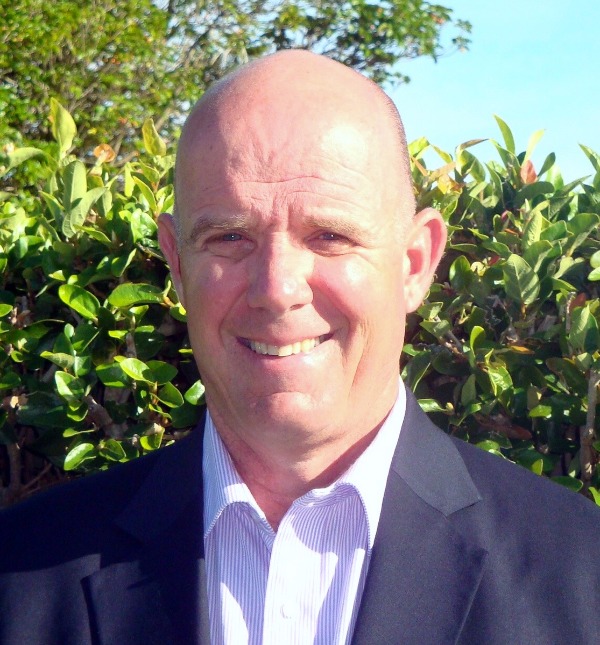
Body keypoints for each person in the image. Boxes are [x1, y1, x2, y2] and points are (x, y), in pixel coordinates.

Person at [1, 50, 599, 645]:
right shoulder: (21, 571)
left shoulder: (579, 573)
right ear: (178, 264)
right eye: (230, 237)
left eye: (330, 236)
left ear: (415, 264)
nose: (277, 289)